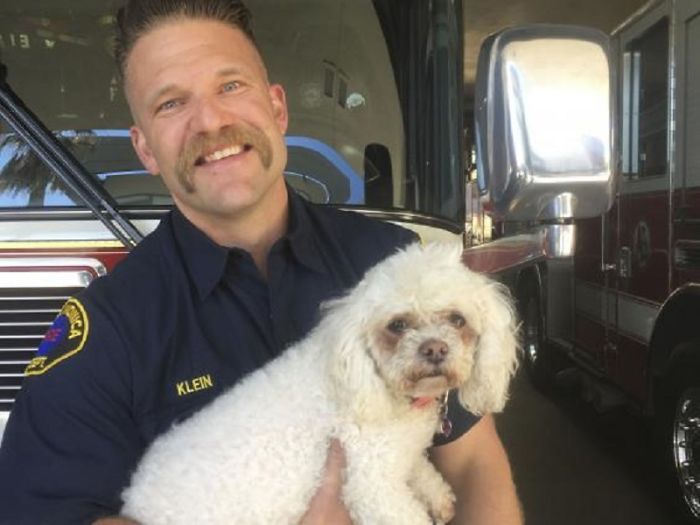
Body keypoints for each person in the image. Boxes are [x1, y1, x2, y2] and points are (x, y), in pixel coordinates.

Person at [0, 1, 522, 524]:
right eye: (170, 104)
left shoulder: (393, 260)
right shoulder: (109, 329)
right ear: (146, 150)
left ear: (277, 108)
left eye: (230, 86)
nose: (210, 121)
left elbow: (473, 459)